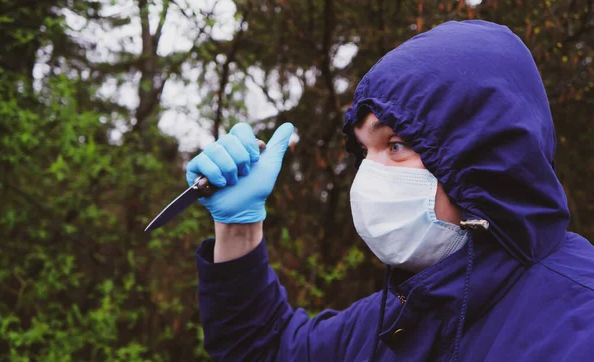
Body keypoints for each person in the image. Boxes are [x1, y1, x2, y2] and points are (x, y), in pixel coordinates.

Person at [186, 20, 594, 361]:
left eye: (395, 145)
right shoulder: (400, 318)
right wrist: (238, 230)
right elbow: (266, 349)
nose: (369, 176)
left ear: (482, 159)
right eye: (365, 150)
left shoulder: (577, 326)